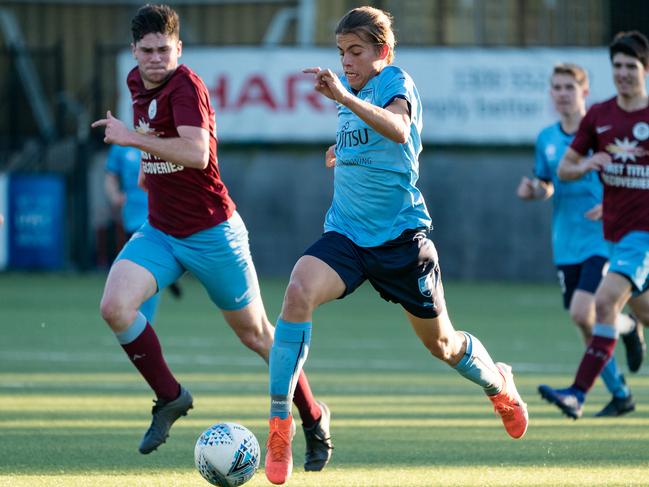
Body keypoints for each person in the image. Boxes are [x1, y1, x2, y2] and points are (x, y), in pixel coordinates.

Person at [263, 6, 529, 485]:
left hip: (402, 241)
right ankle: (281, 421)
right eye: (342, 52)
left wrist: (343, 96)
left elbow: (398, 128)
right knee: (297, 291)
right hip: (346, 236)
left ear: (382, 51)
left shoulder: (393, 81)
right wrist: (339, 151)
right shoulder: (354, 94)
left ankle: (499, 384)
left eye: (356, 51)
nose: (347, 61)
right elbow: (366, 143)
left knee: (443, 345)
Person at [91, 4, 333, 470]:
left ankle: (313, 416)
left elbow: (198, 153)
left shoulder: (187, 85)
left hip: (212, 232)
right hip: (162, 230)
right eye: (148, 50)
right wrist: (149, 171)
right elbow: (159, 140)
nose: (157, 58)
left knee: (260, 336)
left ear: (179, 49)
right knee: (114, 306)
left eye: (165, 49)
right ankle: (170, 397)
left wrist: (132, 141)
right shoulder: (136, 82)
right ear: (134, 52)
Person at [517, 63, 644, 417]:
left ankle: (585, 387)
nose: (561, 94)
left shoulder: (604, 132)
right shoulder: (547, 138)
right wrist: (533, 190)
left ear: (584, 92)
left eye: (568, 88)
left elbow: (629, 175)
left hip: (604, 239)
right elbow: (546, 182)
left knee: (583, 310)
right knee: (585, 322)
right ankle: (620, 391)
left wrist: (612, 204)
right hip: (566, 242)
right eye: (556, 87)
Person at [105, 144, 182, 324]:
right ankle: (168, 273)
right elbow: (110, 176)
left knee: (146, 265)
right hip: (132, 213)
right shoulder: (121, 144)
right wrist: (114, 196)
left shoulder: (162, 137)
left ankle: (145, 320)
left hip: (159, 211)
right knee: (144, 264)